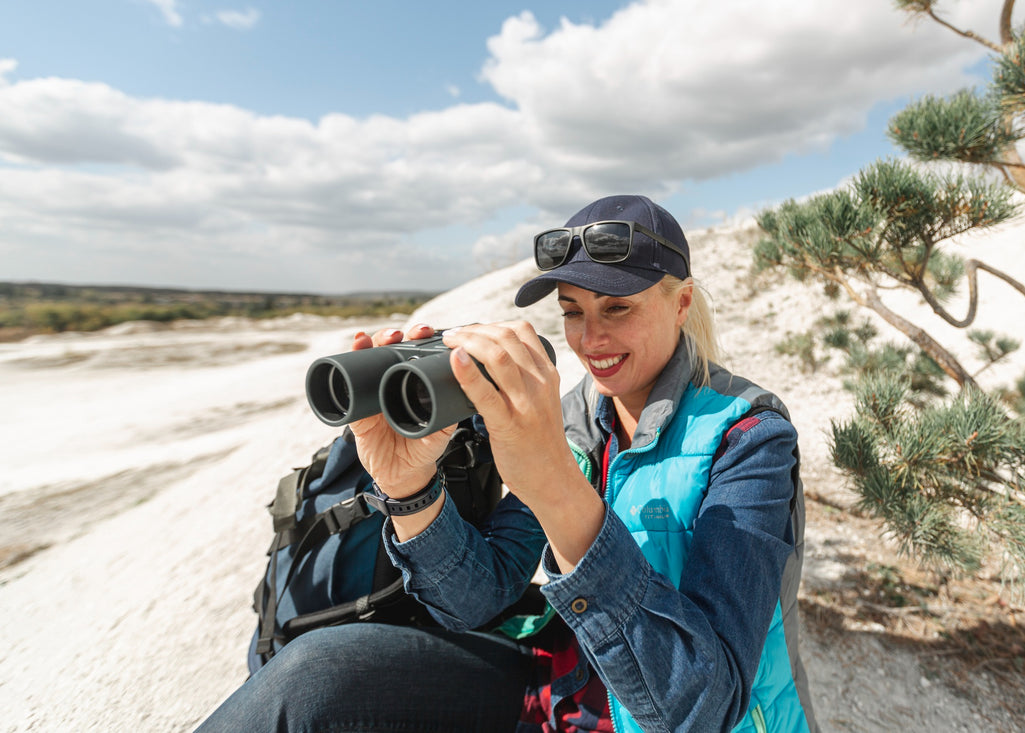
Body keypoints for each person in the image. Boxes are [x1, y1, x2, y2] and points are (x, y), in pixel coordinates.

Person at [197, 194, 818, 733]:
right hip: (555, 693)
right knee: (314, 672)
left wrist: (556, 489)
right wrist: (411, 491)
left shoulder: (749, 439)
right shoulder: (573, 421)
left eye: (617, 308)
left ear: (681, 304)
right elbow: (476, 600)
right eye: (573, 312)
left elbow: (703, 711)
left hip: (660, 716)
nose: (590, 340)